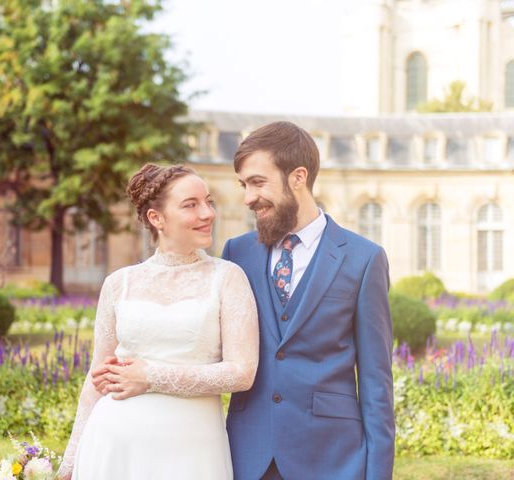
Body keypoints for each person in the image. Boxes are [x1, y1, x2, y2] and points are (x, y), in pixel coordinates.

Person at [57, 163, 259, 480]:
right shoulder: (118, 283)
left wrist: (151, 377)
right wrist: (69, 462)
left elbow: (241, 373)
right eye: (191, 205)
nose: (207, 213)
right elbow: (96, 379)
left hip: (190, 451)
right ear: (156, 218)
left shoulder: (227, 278)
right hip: (113, 446)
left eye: (208, 201)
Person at [222, 121, 394, 480]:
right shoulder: (236, 254)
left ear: (298, 177)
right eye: (243, 185)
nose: (247, 198)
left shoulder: (363, 259)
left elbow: (377, 382)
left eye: (257, 182)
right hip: (249, 456)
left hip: (332, 457)